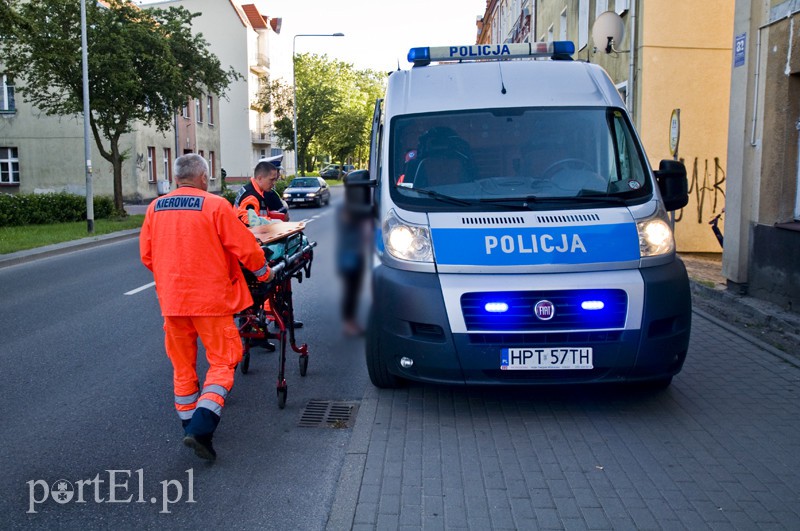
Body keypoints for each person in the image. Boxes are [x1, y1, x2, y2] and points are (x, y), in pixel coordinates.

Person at [140, 154, 273, 461]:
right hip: (211, 300)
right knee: (224, 360)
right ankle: (201, 428)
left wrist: (172, 279)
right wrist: (265, 274)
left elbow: (147, 256)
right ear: (203, 178)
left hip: (173, 302)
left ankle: (189, 426)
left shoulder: (155, 208)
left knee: (182, 365)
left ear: (175, 179)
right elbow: (245, 248)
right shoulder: (214, 205)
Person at [234, 160, 289, 225]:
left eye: (275, 179)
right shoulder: (251, 197)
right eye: (271, 179)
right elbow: (250, 224)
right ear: (259, 178)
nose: (274, 183)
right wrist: (271, 222)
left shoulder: (254, 190)